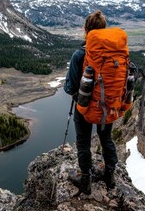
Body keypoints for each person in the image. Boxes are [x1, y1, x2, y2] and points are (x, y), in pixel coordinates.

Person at [63, 10, 118, 195]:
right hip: (107, 106)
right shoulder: (114, 53)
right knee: (106, 139)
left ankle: (85, 179)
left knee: (83, 142)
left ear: (85, 30)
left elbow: (70, 88)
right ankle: (110, 176)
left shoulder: (79, 54)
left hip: (85, 107)